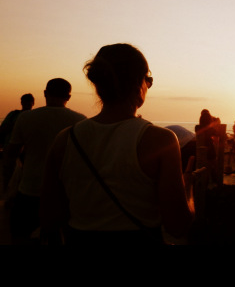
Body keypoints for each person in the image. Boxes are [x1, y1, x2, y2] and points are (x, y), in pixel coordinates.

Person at [40, 43, 195, 245]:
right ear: (138, 82)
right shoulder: (160, 141)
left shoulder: (65, 139)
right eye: (148, 80)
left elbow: (49, 218)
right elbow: (177, 226)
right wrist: (189, 186)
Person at [2, 79, 86, 244]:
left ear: (45, 93)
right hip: (64, 193)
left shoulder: (26, 118)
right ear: (68, 96)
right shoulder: (80, 121)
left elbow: (11, 155)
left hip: (29, 189)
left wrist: (7, 186)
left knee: (20, 235)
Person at [1, 93, 35, 192]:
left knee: (25, 171)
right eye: (25, 102)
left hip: (27, 147)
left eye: (28, 102)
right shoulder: (14, 114)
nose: (26, 104)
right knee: (8, 170)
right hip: (11, 145)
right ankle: (6, 190)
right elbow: (3, 129)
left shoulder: (33, 116)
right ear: (21, 102)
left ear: (32, 103)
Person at [195, 109, 221, 184]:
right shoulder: (211, 129)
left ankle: (203, 183)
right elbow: (218, 135)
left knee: (201, 168)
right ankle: (214, 183)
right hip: (209, 149)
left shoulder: (197, 127)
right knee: (212, 166)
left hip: (199, 149)